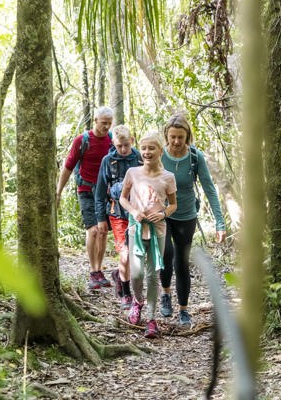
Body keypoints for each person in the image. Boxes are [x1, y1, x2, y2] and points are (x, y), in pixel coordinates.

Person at [159, 112, 227, 327]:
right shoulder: (159, 156)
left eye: (181, 137)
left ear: (187, 136)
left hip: (186, 215)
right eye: (173, 137)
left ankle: (184, 310)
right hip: (162, 214)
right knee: (166, 253)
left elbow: (209, 189)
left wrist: (220, 222)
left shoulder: (195, 157)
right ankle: (166, 294)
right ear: (166, 136)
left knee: (181, 262)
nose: (177, 142)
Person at [119, 131, 177, 338]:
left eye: (151, 148)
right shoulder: (133, 173)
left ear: (160, 151)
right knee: (136, 273)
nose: (146, 152)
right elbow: (123, 198)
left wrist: (162, 213)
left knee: (153, 274)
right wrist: (134, 211)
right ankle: (137, 301)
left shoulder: (168, 177)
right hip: (136, 229)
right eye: (143, 148)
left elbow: (173, 205)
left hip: (158, 231)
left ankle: (151, 318)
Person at [56, 106, 114, 290]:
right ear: (95, 121)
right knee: (94, 230)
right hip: (86, 190)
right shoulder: (82, 141)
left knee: (103, 231)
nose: (106, 127)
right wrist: (58, 192)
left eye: (109, 124)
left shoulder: (112, 141)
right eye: (103, 123)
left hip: (105, 192)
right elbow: (68, 166)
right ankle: (92, 271)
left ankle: (99, 270)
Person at [95, 125, 142, 310]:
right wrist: (101, 219)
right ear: (113, 143)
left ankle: (120, 276)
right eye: (119, 146)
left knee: (136, 254)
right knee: (124, 253)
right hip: (117, 214)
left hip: (138, 213)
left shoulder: (139, 158)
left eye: (125, 145)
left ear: (132, 141)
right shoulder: (108, 161)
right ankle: (126, 294)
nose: (122, 149)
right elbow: (99, 192)